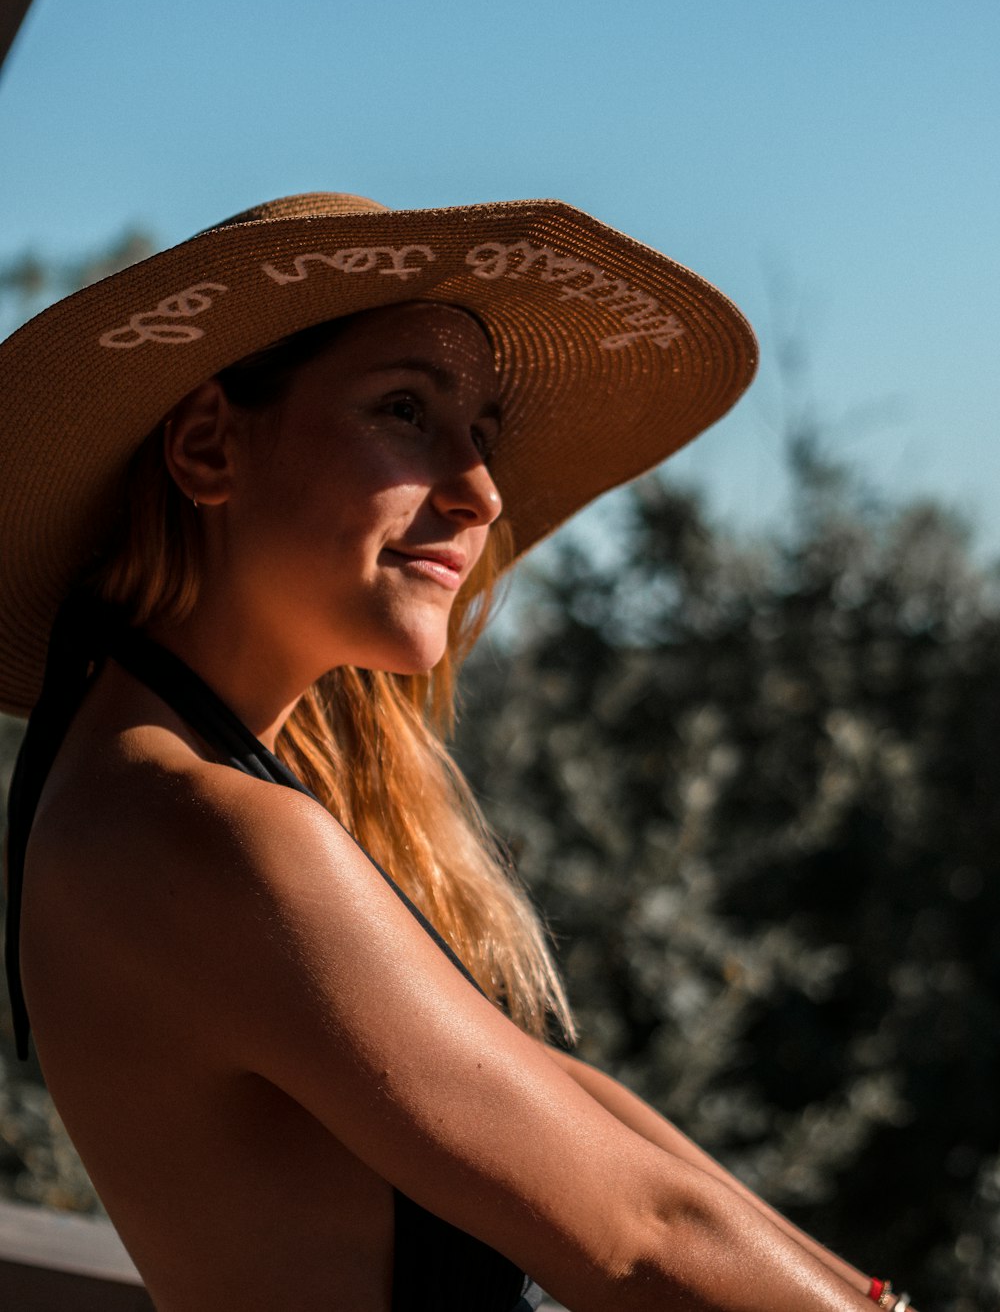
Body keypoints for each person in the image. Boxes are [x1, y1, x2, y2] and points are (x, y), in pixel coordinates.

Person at [1, 192, 915, 1311]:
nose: (481, 491)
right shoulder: (204, 829)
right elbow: (638, 1236)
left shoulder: (163, 788)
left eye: (481, 432)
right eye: (404, 410)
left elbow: (599, 1126)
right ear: (205, 443)